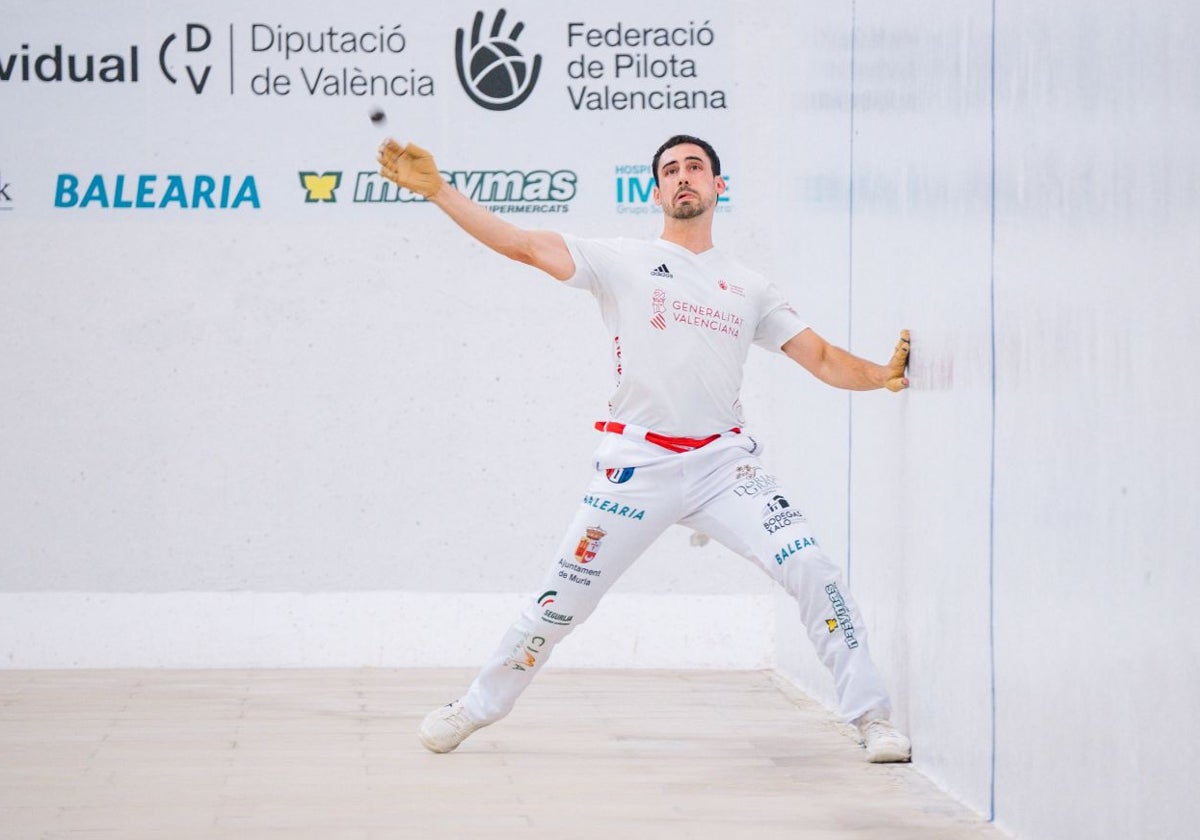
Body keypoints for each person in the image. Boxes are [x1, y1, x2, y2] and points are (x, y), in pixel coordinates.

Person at [377, 134, 913, 763]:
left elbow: (820, 357)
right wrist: (440, 192)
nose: (683, 177)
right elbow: (521, 246)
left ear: (718, 186)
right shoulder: (620, 260)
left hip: (723, 467)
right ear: (654, 191)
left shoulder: (749, 287)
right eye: (670, 171)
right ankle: (474, 707)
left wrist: (881, 374)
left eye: (696, 168)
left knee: (813, 567)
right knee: (557, 605)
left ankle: (872, 718)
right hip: (636, 470)